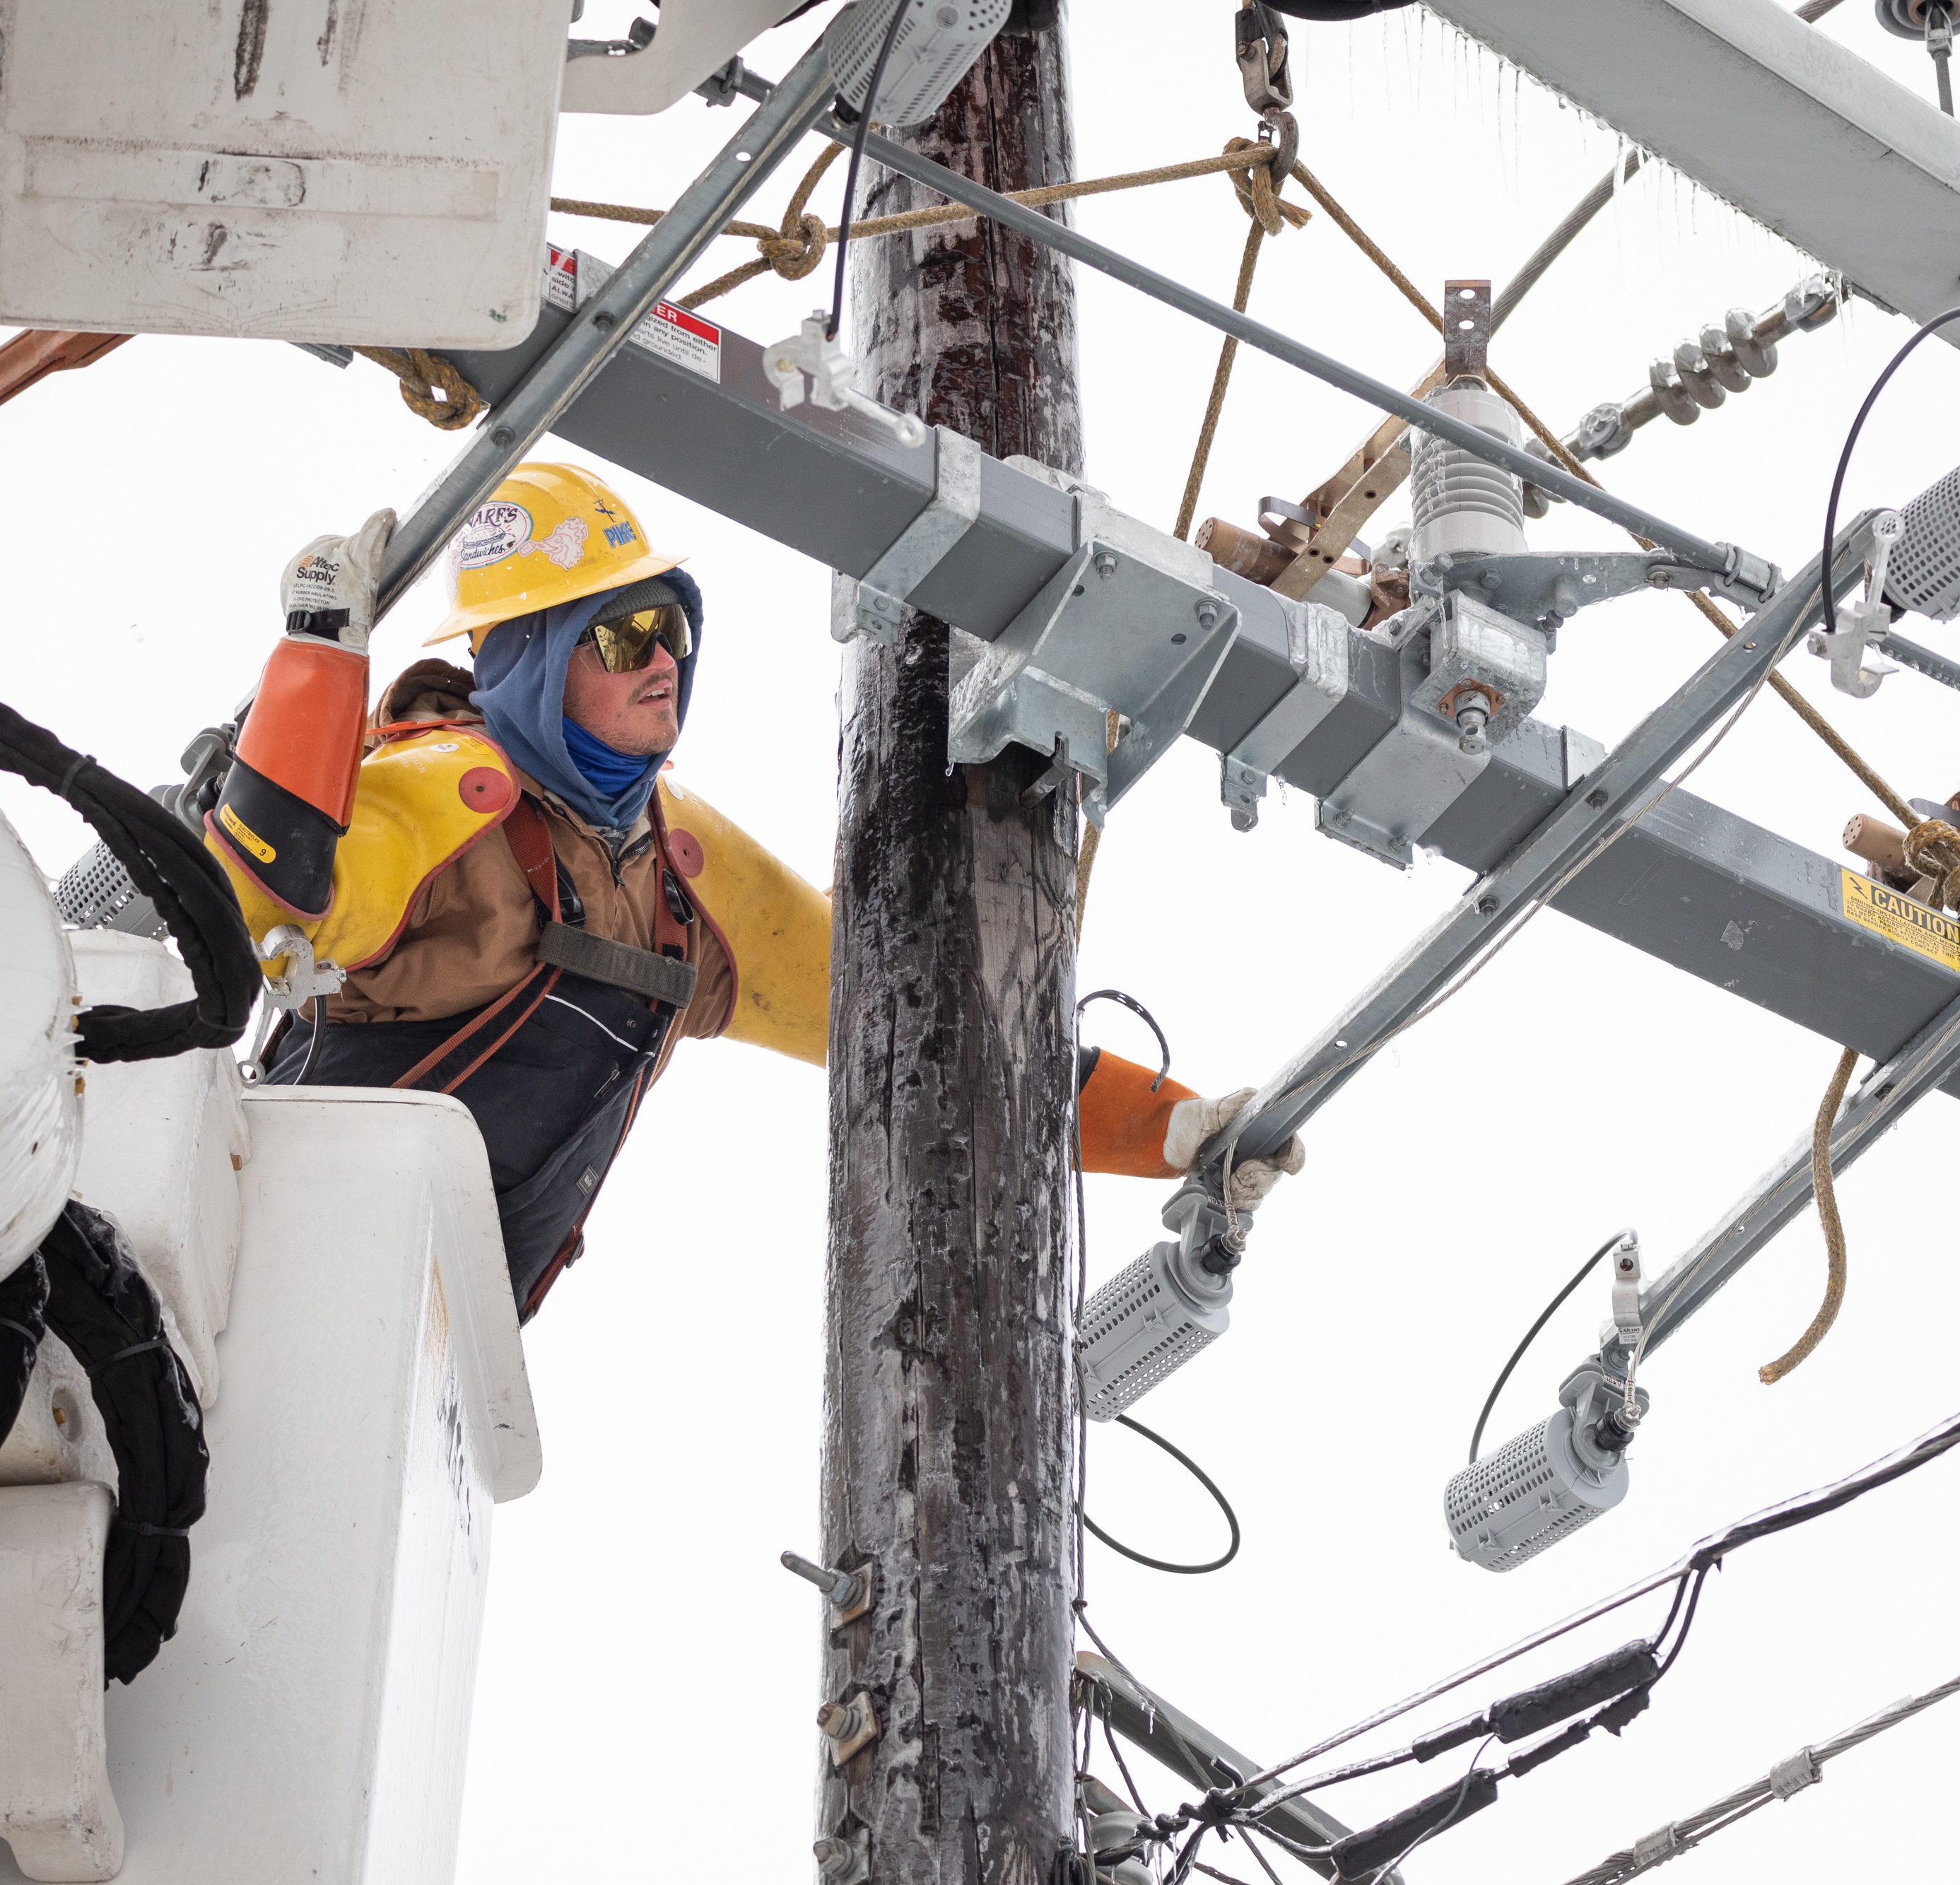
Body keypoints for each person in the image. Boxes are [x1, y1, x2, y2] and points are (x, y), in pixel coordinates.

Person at [202, 463, 1299, 1320]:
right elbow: (264, 905)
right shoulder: (441, 791)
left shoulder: (678, 862)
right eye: (623, 634)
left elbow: (905, 1021)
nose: (663, 661)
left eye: (672, 629)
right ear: (528, 656)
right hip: (266, 1263)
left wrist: (1169, 1132)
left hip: (443, 1321)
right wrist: (316, 663)